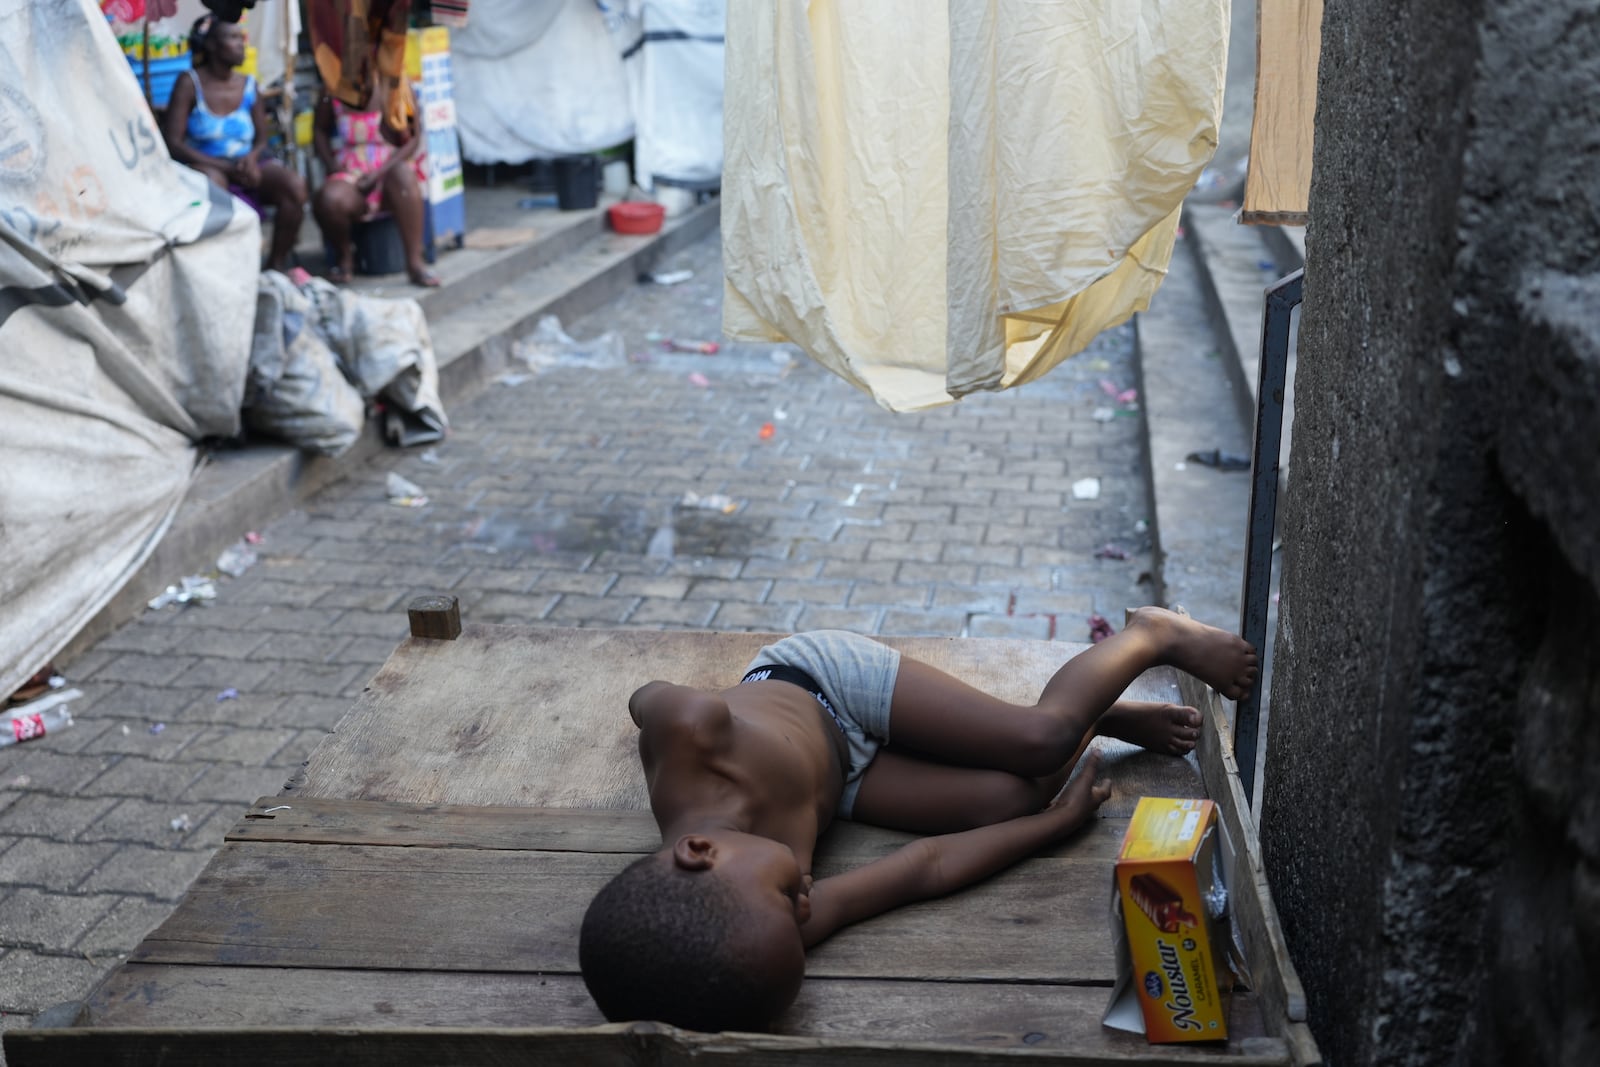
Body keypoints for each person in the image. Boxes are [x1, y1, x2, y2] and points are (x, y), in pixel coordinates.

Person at [579, 607, 1259, 1032]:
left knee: (1041, 742)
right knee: (1015, 798)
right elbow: (923, 866)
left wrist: (646, 707)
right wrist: (1056, 825)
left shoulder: (694, 742)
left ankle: (1151, 633)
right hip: (846, 776)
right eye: (799, 911)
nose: (808, 899)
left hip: (821, 682)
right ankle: (1099, 715)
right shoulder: (763, 927)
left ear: (700, 850)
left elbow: (651, 700)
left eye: (790, 893)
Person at [160, 14, 308, 272]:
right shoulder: (189, 83)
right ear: (212, 46)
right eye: (233, 38)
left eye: (242, 39)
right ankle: (227, 268)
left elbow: (262, 138)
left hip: (246, 162)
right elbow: (174, 143)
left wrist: (251, 159)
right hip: (206, 164)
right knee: (213, 187)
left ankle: (274, 266)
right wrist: (226, 167)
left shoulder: (249, 85)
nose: (242, 45)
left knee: (294, 187)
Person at [310, 79, 439, 287]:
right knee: (328, 200)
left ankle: (415, 263)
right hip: (350, 170)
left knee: (405, 178)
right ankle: (345, 258)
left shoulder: (397, 84)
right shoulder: (332, 87)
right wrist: (333, 165)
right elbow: (319, 130)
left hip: (390, 167)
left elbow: (413, 138)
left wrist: (378, 173)